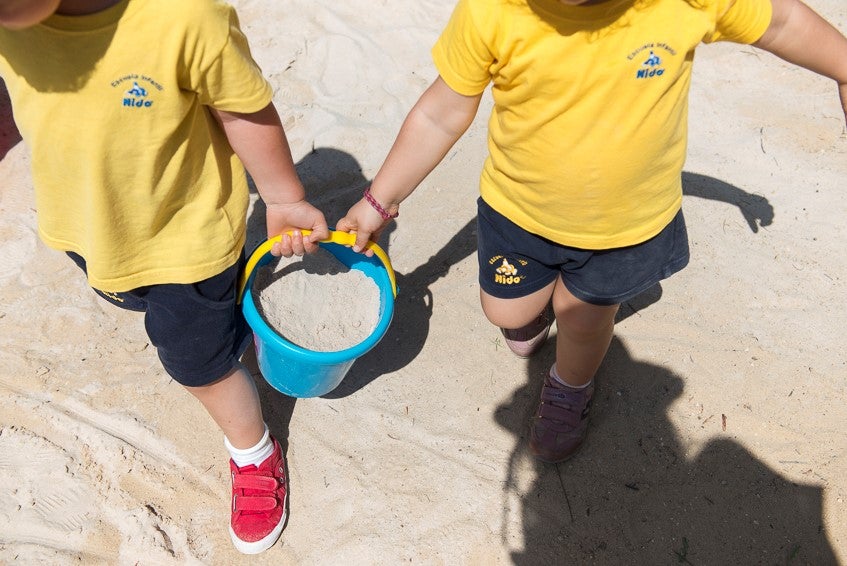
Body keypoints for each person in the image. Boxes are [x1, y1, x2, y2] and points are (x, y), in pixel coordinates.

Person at [337, 0, 847, 464]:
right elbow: (440, 113)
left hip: (623, 228)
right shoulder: (492, 10)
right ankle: (538, 313)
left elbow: (779, 20)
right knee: (507, 312)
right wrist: (379, 201)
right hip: (517, 213)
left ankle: (569, 386)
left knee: (581, 321)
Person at [0, 0, 329, 555]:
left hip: (184, 242)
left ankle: (252, 451)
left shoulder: (183, 18)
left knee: (196, 362)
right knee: (135, 299)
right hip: (87, 225)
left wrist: (282, 195)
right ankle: (227, 327)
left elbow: (242, 109)